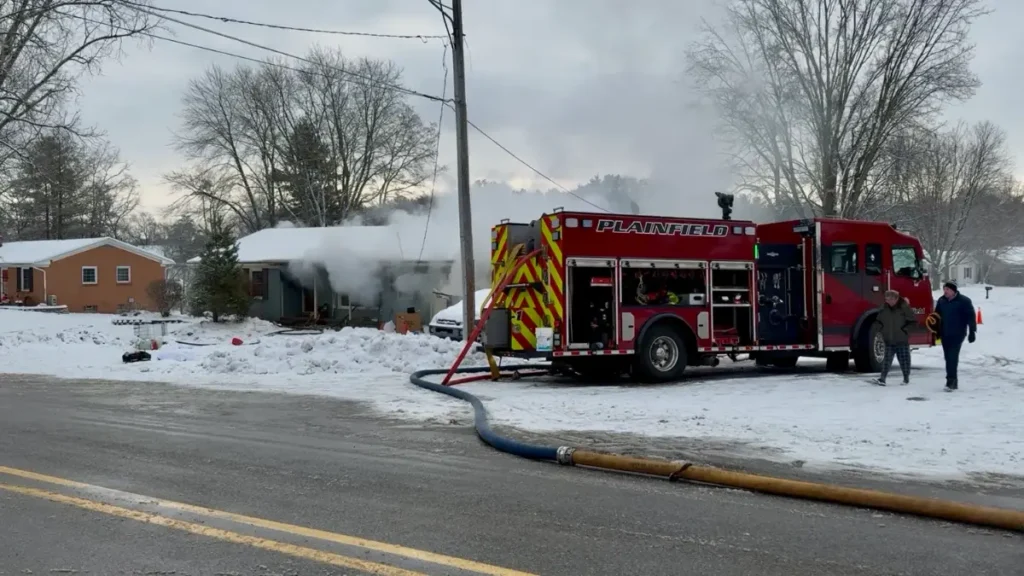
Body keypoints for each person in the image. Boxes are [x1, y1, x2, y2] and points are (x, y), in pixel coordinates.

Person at [934, 281, 977, 391]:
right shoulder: (942, 300)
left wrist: (972, 331)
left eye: (947, 289)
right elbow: (936, 316)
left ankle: (951, 382)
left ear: (953, 290)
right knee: (948, 357)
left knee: (952, 357)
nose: (945, 291)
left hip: (958, 333)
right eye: (944, 289)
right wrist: (935, 329)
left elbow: (971, 317)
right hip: (944, 333)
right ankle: (952, 381)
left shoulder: (964, 301)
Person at [872, 290, 916, 386]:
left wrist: (905, 331)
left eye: (891, 299)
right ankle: (882, 378)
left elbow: (913, 322)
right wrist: (880, 331)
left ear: (896, 299)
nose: (889, 301)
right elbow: (878, 322)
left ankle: (906, 378)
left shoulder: (904, 307)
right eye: (887, 299)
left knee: (904, 360)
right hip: (889, 339)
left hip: (901, 339)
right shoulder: (884, 309)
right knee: (886, 361)